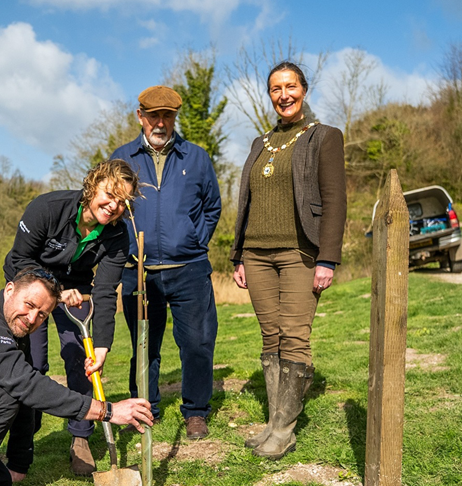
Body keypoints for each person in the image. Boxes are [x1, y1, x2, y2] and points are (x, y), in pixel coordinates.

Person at [0, 267, 154, 486]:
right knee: (4, 397)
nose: (31, 319)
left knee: (0, 483)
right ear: (10, 290)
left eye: (42, 315)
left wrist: (19, 464)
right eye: (29, 305)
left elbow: (27, 391)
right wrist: (106, 411)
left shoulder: (12, 325)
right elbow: (24, 385)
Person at [230, 61, 347, 460]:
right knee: (270, 337)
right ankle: (273, 424)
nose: (284, 95)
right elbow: (246, 202)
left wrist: (327, 259)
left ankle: (283, 429)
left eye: (290, 86)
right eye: (276, 89)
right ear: (270, 95)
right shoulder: (259, 143)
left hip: (300, 253)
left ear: (303, 90)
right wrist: (238, 255)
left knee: (295, 334)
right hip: (256, 254)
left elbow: (334, 202)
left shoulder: (323, 137)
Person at [3, 159, 139, 477]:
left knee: (80, 358)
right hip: (30, 280)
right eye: (110, 194)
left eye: (124, 201)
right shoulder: (47, 209)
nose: (114, 205)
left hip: (77, 289)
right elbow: (20, 258)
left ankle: (80, 438)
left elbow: (105, 292)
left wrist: (102, 346)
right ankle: (22, 432)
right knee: (30, 363)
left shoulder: (117, 237)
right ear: (92, 186)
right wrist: (54, 291)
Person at [110, 85, 222, 440]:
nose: (160, 122)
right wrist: (125, 250)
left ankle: (196, 412)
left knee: (198, 344)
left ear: (175, 117)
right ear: (140, 116)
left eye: (167, 115)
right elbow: (109, 208)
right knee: (145, 347)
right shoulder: (121, 158)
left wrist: (194, 239)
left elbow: (212, 206)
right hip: (139, 272)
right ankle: (145, 408)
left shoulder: (196, 157)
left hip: (189, 269)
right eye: (153, 115)